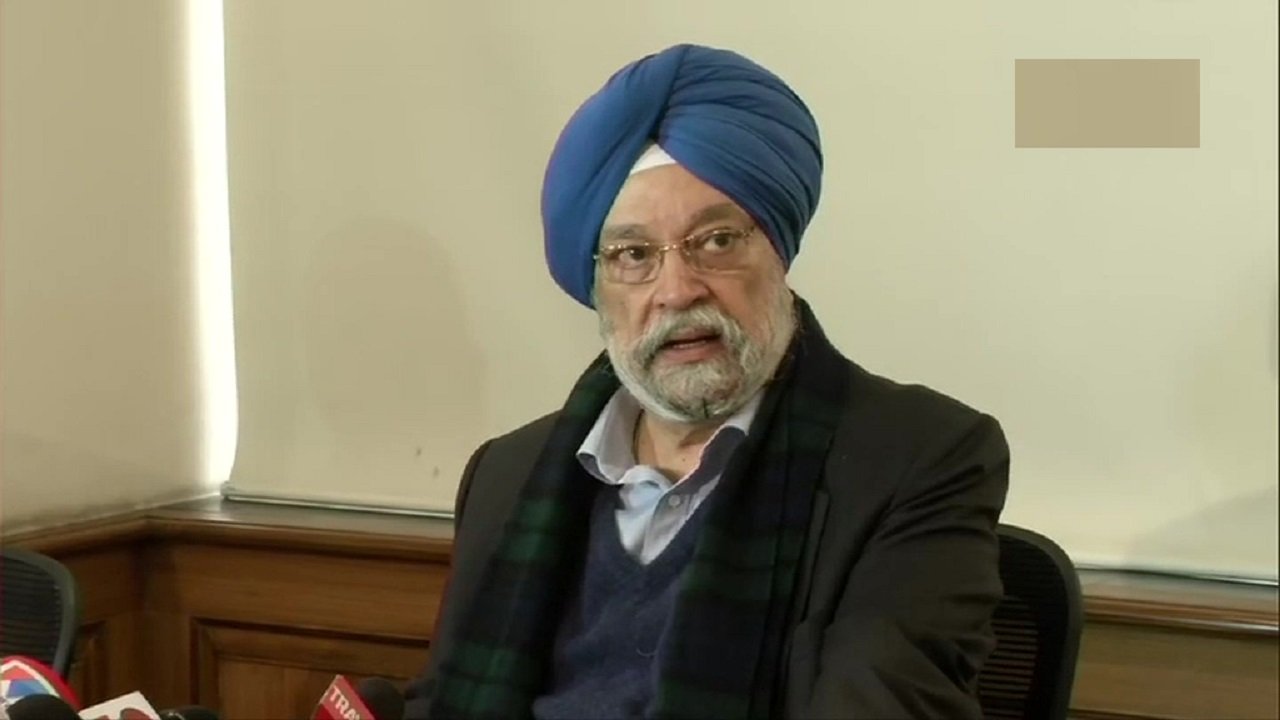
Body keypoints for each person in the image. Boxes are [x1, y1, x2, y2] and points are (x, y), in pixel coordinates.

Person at [403, 43, 1009, 720]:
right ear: (597, 285)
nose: (677, 289)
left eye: (716, 241)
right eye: (633, 254)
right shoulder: (506, 475)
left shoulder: (917, 460)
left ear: (777, 251)